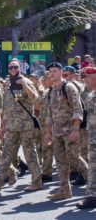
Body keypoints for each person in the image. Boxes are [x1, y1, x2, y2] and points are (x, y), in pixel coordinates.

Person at [0, 59, 42, 192]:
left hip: (25, 125)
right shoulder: (8, 82)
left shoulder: (26, 81)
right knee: (6, 152)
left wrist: (25, 86)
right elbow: (7, 107)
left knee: (30, 153)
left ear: (20, 68)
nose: (13, 70)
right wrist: (3, 126)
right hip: (11, 125)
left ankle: (37, 181)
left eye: (15, 67)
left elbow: (37, 100)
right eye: (10, 68)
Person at [45, 62, 88, 200]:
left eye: (55, 71)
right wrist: (48, 132)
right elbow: (50, 113)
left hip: (70, 131)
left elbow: (78, 109)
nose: (52, 73)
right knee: (60, 161)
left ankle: (93, 184)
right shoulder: (52, 90)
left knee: (75, 158)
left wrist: (75, 130)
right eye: (50, 71)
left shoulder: (68, 87)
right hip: (57, 132)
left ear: (61, 72)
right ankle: (64, 191)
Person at [77, 67, 96, 209]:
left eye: (89, 78)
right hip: (93, 135)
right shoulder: (90, 95)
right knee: (93, 165)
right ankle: (91, 196)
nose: (86, 80)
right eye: (85, 77)